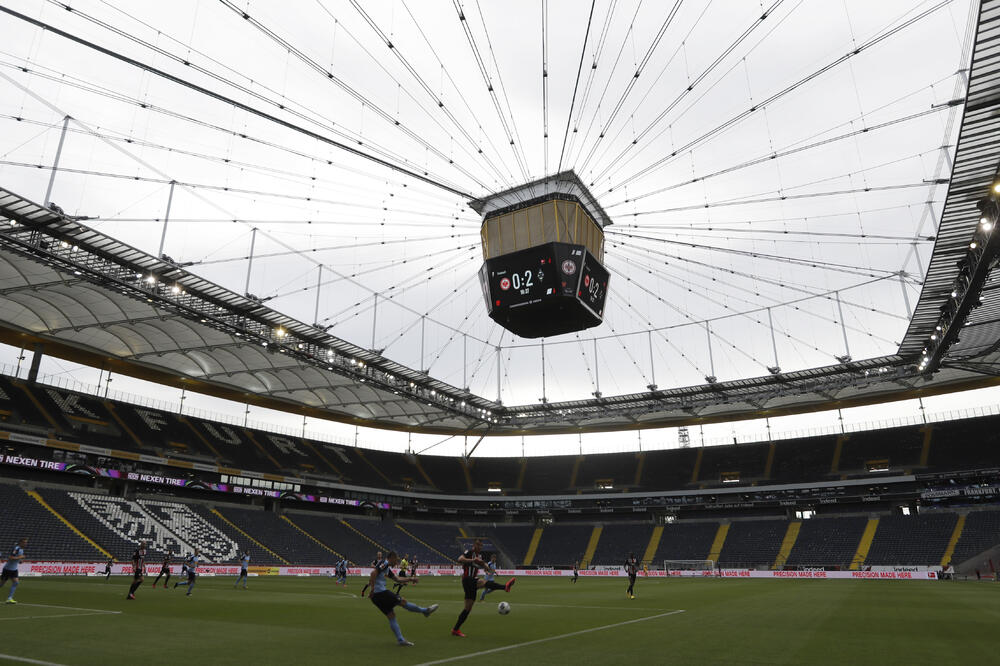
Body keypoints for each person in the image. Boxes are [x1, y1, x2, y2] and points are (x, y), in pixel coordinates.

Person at [367, 551, 438, 647]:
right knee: (403, 602)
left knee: (391, 615)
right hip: (381, 593)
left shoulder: (387, 568)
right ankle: (425, 611)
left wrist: (410, 579)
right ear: (391, 558)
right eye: (396, 561)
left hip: (376, 597)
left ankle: (400, 640)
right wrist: (372, 589)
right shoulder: (385, 563)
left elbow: (397, 579)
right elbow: (373, 573)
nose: (396, 563)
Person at [452, 539, 515, 638]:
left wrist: (486, 566)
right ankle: (505, 587)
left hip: (470, 581)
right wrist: (473, 560)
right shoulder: (469, 552)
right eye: (478, 545)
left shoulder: (479, 556)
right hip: (468, 579)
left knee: (467, 608)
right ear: (474, 545)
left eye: (481, 546)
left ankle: (455, 629)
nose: (479, 547)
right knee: (483, 582)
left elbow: (482, 563)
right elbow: (460, 559)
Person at [0, 538, 27, 604]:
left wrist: (20, 561)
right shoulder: (16, 548)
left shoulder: (21, 550)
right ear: (20, 543)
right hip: (8, 569)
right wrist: (20, 558)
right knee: (1, 584)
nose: (25, 544)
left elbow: (17, 559)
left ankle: (9, 598)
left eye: (26, 542)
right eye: (24, 542)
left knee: (16, 582)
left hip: (14, 569)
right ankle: (9, 598)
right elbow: (11, 557)